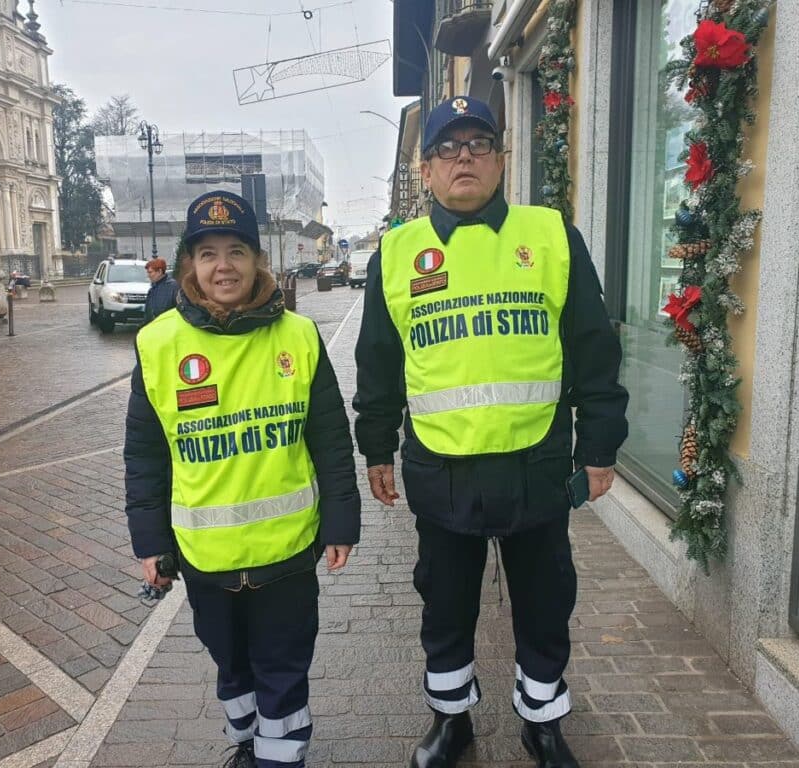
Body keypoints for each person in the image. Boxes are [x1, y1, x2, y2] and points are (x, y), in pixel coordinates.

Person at [353, 96, 628, 768]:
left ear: (502, 160)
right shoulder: (397, 252)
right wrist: (375, 445)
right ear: (427, 169)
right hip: (439, 470)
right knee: (444, 603)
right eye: (448, 147)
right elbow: (378, 362)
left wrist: (598, 447)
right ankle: (452, 722)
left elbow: (592, 348)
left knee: (544, 601)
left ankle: (542, 722)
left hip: (535, 465)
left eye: (479, 143)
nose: (465, 156)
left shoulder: (552, 236)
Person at [124, 190, 361, 768]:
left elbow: (329, 440)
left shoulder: (299, 338)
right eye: (207, 254)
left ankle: (282, 758)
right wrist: (151, 541)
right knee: (231, 666)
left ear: (258, 261)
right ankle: (251, 744)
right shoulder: (158, 346)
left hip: (287, 553)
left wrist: (341, 522)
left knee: (283, 666)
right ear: (190, 266)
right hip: (207, 558)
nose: (222, 265)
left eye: (236, 251)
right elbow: (145, 457)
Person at [143, 257, 180, 324]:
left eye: (150, 272)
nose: (148, 275)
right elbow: (148, 314)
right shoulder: (152, 289)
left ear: (160, 271)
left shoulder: (174, 287)